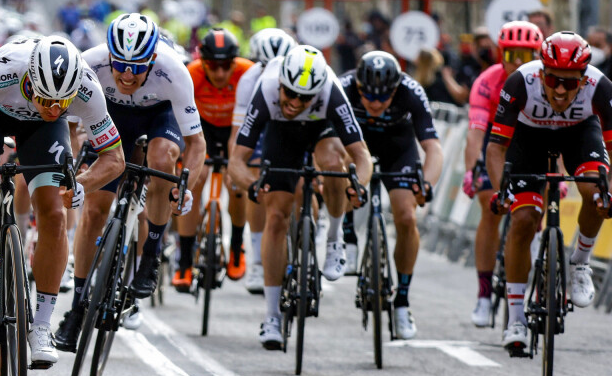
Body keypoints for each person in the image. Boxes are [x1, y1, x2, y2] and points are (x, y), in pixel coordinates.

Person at [0, 35, 124, 365]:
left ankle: (43, 325)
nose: (53, 108)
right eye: (46, 99)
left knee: (54, 213)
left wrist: (83, 185)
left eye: (62, 102)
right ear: (30, 81)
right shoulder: (2, 74)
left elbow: (114, 157)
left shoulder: (87, 89)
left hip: (44, 133)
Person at [53, 13, 202, 350]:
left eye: (137, 67)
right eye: (120, 64)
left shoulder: (174, 71)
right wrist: (74, 169)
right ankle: (77, 307)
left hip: (159, 116)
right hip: (110, 118)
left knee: (162, 160)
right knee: (94, 210)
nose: (127, 74)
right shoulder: (89, 63)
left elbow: (196, 143)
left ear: (153, 57)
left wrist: (185, 185)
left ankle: (151, 253)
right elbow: (72, 128)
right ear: (109, 56)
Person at [228, 45, 372, 350]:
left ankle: (334, 238)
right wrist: (252, 186)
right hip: (281, 133)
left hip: (321, 128)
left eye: (304, 97)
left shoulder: (331, 92)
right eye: (290, 93)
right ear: (280, 83)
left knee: (335, 164)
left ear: (317, 92)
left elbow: (362, 156)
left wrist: (357, 184)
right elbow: (237, 161)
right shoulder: (266, 89)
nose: (294, 102)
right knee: (277, 216)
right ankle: (271, 317)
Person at [486, 31, 612, 354]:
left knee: (596, 191)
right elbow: (496, 149)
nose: (559, 90)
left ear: (582, 81)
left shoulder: (601, 87)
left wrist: (608, 191)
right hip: (529, 138)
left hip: (579, 134)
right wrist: (503, 192)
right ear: (541, 72)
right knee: (524, 219)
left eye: (569, 84)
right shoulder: (519, 82)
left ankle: (579, 262)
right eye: (553, 79)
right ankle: (515, 319)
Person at [340, 51, 443, 339]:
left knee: (407, 216)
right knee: (344, 176)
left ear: (395, 89)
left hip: (398, 148)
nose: (374, 103)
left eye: (383, 97)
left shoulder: (411, 91)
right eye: (368, 96)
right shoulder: (343, 87)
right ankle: (347, 235)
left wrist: (428, 185)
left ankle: (402, 301)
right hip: (355, 144)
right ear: (358, 86)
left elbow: (433, 148)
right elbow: (328, 142)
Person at [462, 21, 543, 327]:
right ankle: (484, 293)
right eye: (511, 55)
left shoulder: (546, 81)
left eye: (525, 54)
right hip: (495, 146)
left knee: (537, 212)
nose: (518, 63)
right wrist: (472, 169)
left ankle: (534, 274)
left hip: (532, 145)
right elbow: (475, 135)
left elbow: (561, 132)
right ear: (500, 54)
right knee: (489, 205)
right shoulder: (487, 82)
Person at [172, 28, 254, 291]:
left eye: (226, 66)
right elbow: (179, 119)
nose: (220, 74)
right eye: (213, 67)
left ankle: (237, 247)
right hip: (201, 130)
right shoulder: (191, 74)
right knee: (195, 180)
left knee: (237, 183)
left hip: (236, 128)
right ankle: (184, 261)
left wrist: (237, 162)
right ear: (202, 62)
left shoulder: (247, 73)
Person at [231, 28, 296, 294]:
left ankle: (314, 232)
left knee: (307, 180)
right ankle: (257, 259)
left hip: (296, 124)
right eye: (268, 65)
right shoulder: (250, 80)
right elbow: (240, 130)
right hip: (262, 126)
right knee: (255, 180)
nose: (275, 71)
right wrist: (235, 166)